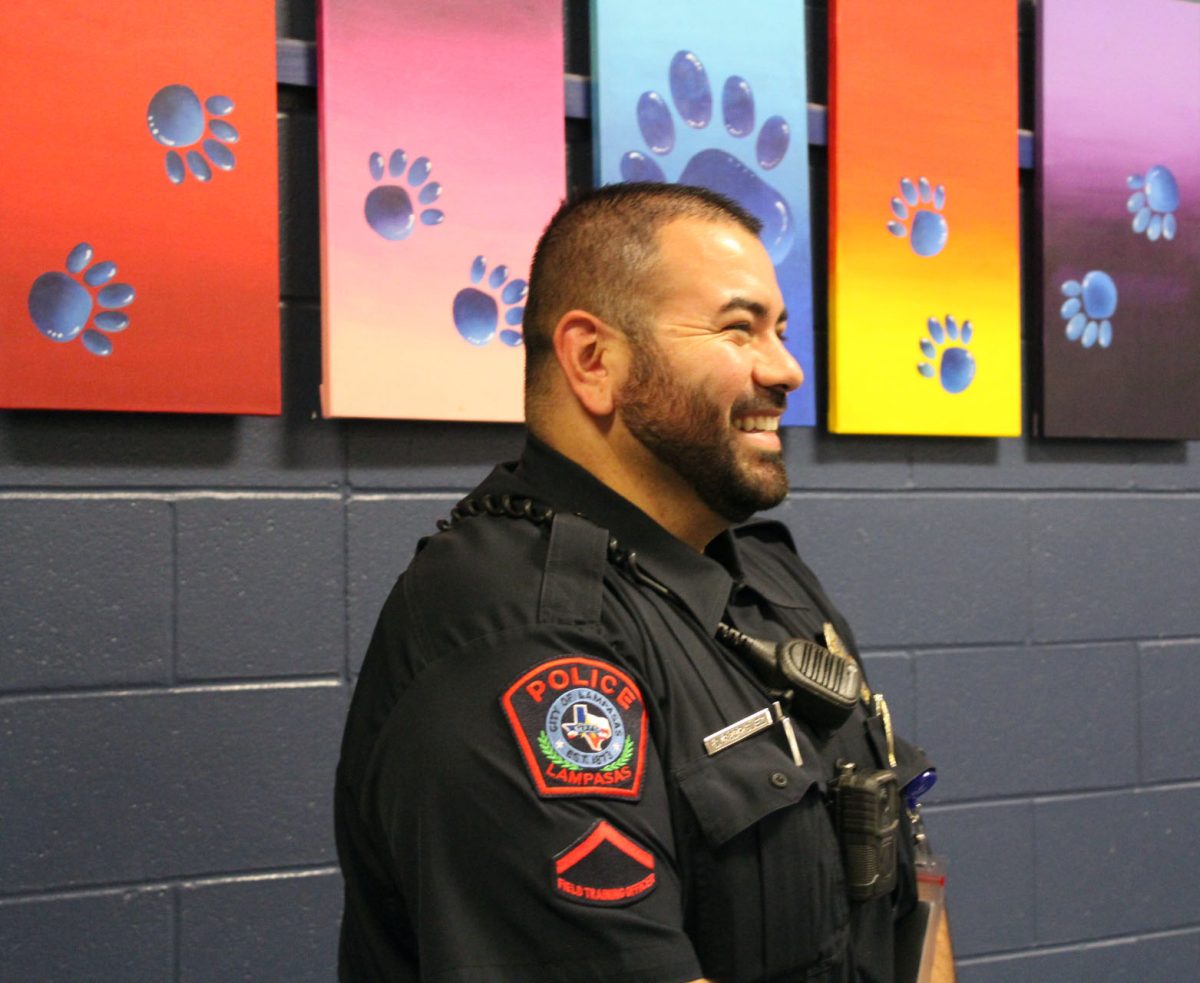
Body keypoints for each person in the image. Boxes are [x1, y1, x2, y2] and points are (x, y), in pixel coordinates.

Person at [335, 183, 954, 982]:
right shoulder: (516, 635)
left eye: (782, 330)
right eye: (740, 329)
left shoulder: (772, 580)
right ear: (595, 361)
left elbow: (908, 888)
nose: (788, 369)